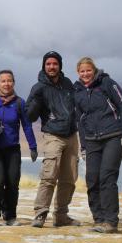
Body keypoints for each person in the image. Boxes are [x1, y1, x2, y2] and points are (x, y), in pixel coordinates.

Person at [74, 57, 122, 234]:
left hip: (113, 137)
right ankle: (98, 219)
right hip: (92, 140)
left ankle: (111, 221)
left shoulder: (107, 83)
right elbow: (80, 120)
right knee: (92, 179)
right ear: (78, 73)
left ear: (94, 70)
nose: (85, 74)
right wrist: (83, 146)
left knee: (107, 177)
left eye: (88, 70)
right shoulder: (78, 92)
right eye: (82, 71)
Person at [26, 51, 81, 228]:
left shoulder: (67, 84)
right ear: (44, 66)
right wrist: (36, 102)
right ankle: (40, 214)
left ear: (60, 66)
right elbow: (30, 116)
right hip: (53, 135)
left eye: (55, 64)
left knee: (69, 178)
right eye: (48, 64)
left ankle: (61, 216)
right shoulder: (38, 87)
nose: (51, 67)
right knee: (49, 176)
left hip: (72, 135)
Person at [0, 70, 38, 226]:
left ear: (13, 83)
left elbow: (27, 126)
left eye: (9, 80)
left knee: (12, 183)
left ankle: (10, 216)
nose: (6, 83)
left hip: (12, 150)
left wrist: (33, 146)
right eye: (3, 81)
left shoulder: (19, 102)